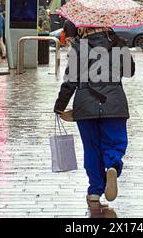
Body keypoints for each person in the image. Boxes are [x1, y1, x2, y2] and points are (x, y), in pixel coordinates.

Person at [54, 26, 135, 208]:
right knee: (115, 142)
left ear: (84, 27)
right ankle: (112, 165)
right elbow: (130, 71)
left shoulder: (79, 47)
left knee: (91, 148)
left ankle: (94, 191)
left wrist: (60, 105)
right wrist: (120, 45)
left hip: (85, 105)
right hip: (114, 104)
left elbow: (70, 81)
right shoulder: (117, 43)